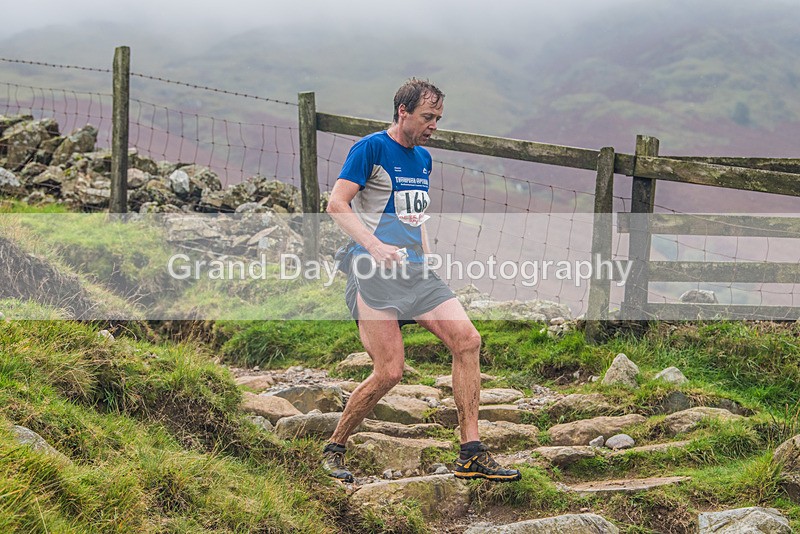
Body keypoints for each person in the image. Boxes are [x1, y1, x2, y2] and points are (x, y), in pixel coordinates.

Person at [322, 78, 521, 483]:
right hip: (372, 274)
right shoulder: (371, 148)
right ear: (403, 112)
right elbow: (336, 204)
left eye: (438, 118)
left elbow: (416, 216)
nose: (434, 125)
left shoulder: (424, 159)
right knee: (390, 372)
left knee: (468, 340)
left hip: (417, 274)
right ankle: (334, 447)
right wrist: (375, 247)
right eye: (428, 117)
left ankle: (471, 452)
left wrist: (429, 260)